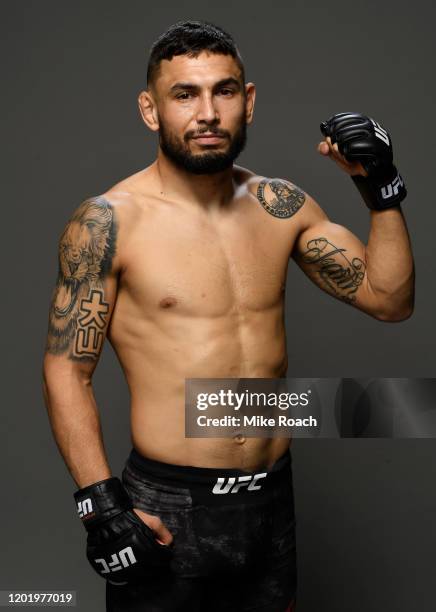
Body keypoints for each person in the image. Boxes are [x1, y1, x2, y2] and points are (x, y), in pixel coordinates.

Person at [42, 20, 414, 612]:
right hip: (167, 507)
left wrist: (381, 188)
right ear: (150, 109)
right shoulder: (110, 222)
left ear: (249, 100)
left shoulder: (281, 205)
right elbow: (67, 368)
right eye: (185, 94)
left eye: (225, 90)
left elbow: (390, 300)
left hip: (270, 502)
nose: (208, 112)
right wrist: (101, 503)